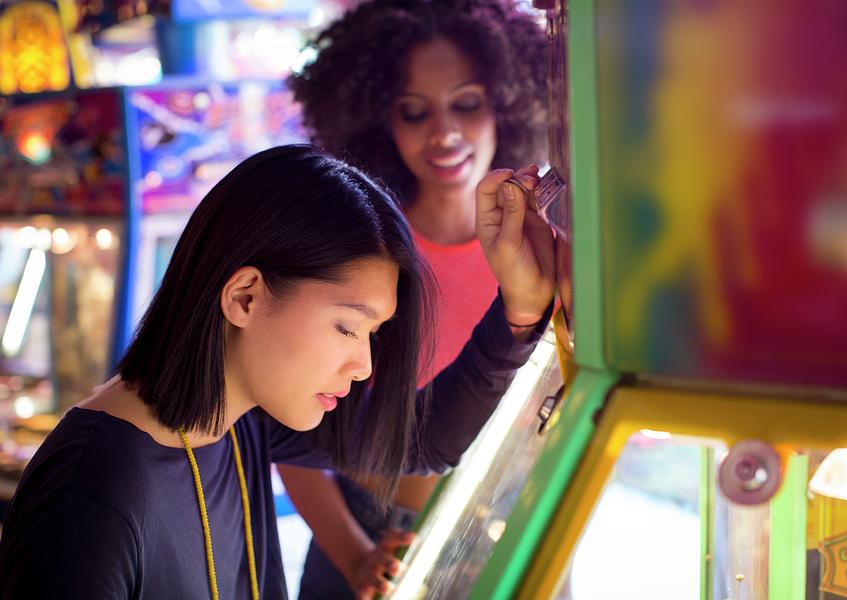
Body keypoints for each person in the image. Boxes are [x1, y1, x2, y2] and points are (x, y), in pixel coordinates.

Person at [0, 145, 555, 599]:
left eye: (371, 334)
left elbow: (422, 443)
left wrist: (521, 308)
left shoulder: (239, 420)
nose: (363, 365)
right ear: (244, 297)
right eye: (346, 327)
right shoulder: (90, 496)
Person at [279, 1, 549, 598]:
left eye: (467, 102)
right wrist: (352, 554)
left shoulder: (546, 247)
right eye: (413, 111)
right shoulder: (358, 247)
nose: (444, 132)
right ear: (381, 123)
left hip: (513, 526)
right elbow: (291, 422)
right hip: (365, 540)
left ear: (507, 101)